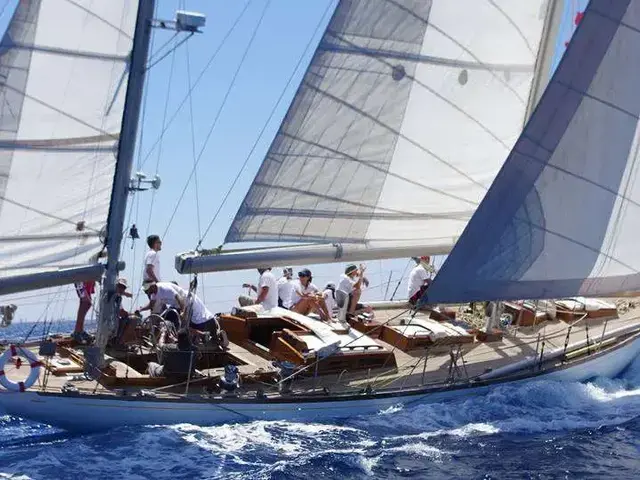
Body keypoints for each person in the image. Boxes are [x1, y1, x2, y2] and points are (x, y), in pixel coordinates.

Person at [72, 280, 96, 344]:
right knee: (86, 302)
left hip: (89, 278)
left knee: (86, 302)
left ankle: (80, 330)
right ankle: (77, 331)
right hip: (81, 278)